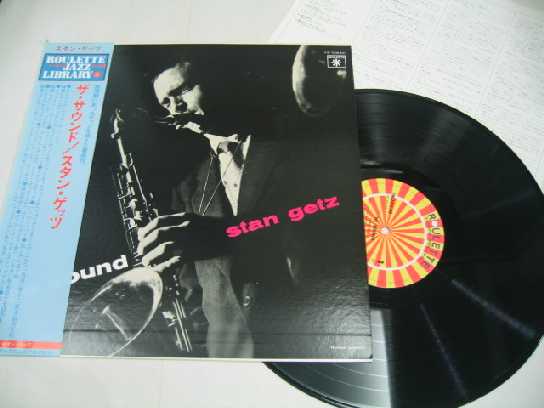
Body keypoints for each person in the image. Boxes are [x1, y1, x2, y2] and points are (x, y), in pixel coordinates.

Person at [135, 47, 367, 358]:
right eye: (166, 102)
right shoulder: (188, 188)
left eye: (183, 90)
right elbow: (194, 290)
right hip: (233, 355)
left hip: (309, 337)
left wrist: (224, 235)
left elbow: (326, 214)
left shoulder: (299, 138)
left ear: (215, 81)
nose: (176, 108)